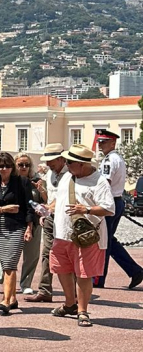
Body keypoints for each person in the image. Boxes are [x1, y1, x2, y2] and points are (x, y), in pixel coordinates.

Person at [48, 143, 114, 326]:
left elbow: (109, 209)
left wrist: (87, 209)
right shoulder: (68, 177)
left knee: (84, 273)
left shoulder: (99, 181)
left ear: (82, 164)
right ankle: (70, 303)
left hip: (85, 235)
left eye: (70, 162)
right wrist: (49, 208)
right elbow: (60, 198)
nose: (66, 164)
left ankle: (82, 310)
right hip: (61, 232)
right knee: (61, 268)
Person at [0, 153, 44, 295]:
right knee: (7, 255)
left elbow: (42, 202)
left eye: (27, 165)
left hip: (31, 222)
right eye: (21, 164)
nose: (24, 167)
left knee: (31, 255)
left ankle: (24, 285)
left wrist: (42, 191)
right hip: (5, 224)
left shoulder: (36, 181)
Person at [95, 129, 143, 289]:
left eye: (103, 142)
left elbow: (105, 183)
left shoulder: (109, 160)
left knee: (103, 242)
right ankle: (134, 271)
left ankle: (98, 279)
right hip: (116, 201)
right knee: (109, 241)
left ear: (113, 143)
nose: (100, 144)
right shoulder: (116, 158)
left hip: (109, 202)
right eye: (99, 141)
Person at [25, 144, 67, 303]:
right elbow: (50, 196)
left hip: (66, 220)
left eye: (52, 161)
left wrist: (50, 207)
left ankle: (74, 294)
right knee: (46, 254)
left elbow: (64, 197)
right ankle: (44, 289)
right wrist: (45, 210)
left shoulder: (71, 174)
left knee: (67, 256)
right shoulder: (50, 174)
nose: (48, 164)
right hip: (51, 218)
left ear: (61, 158)